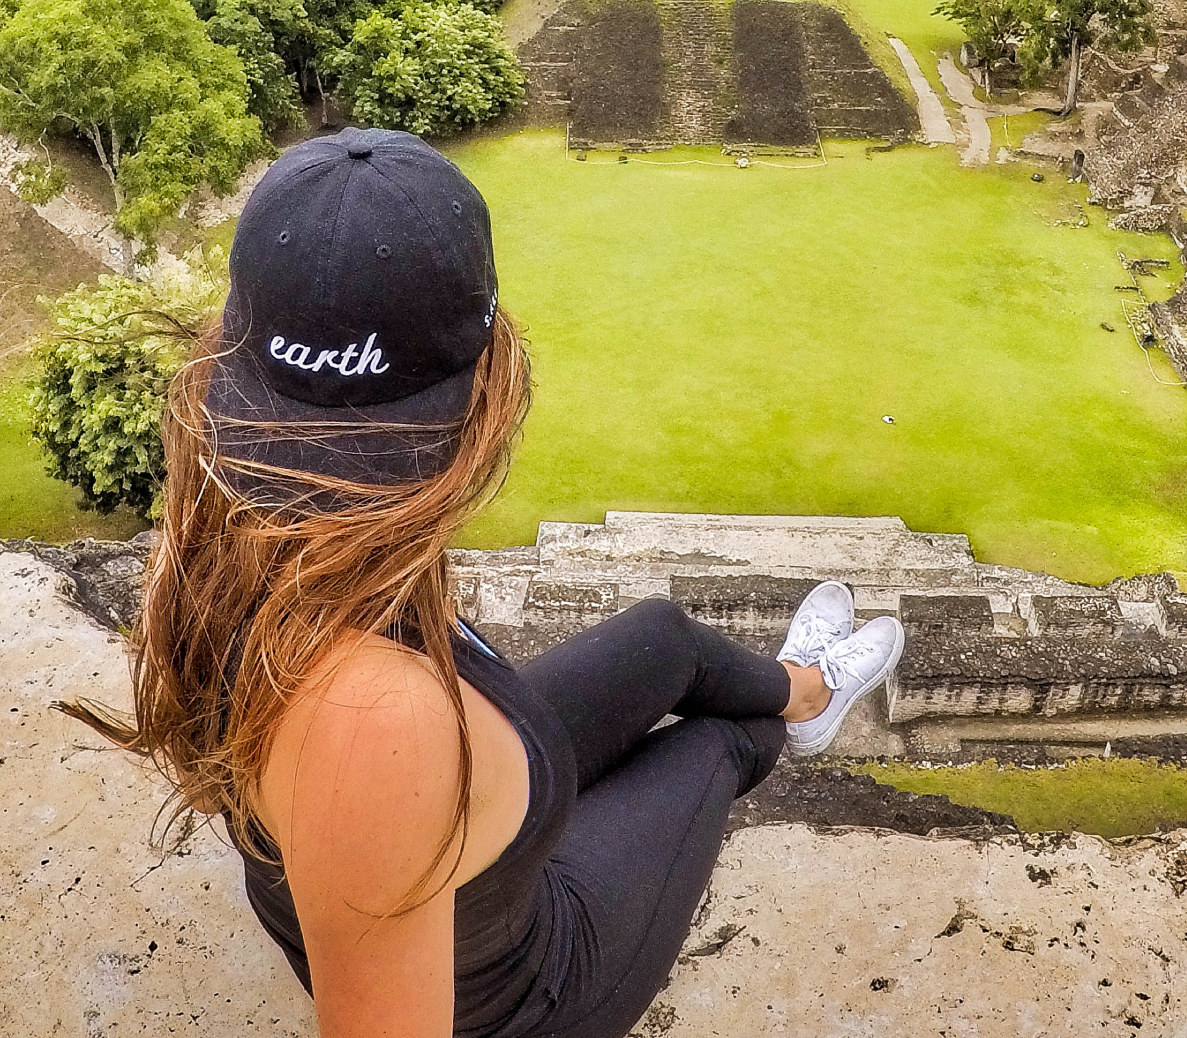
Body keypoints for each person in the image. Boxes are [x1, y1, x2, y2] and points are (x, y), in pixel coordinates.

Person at [65, 128, 905, 1038]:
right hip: (519, 988)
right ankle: (798, 708)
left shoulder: (230, 533)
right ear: (487, 387)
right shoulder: (372, 722)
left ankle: (808, 689)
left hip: (415, 850)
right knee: (723, 738)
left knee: (667, 638)